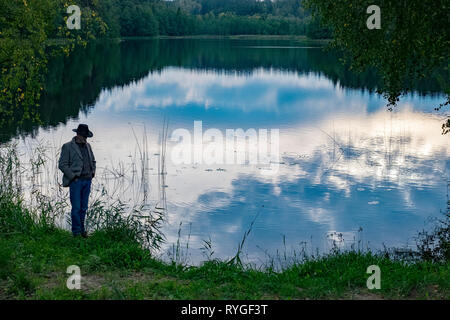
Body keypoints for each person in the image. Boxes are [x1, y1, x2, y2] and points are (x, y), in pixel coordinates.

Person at [58, 124, 96, 238]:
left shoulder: (88, 146)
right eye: (83, 136)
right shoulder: (67, 146)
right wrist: (73, 177)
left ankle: (82, 231)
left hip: (87, 181)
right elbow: (62, 165)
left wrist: (93, 172)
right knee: (76, 208)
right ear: (77, 134)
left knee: (84, 208)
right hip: (76, 182)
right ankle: (76, 233)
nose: (85, 139)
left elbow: (93, 161)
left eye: (86, 137)